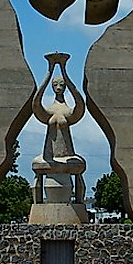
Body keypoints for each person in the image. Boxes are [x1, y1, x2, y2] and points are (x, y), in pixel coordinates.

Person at [31, 52, 86, 203]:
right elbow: (36, 104)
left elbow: (80, 105)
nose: (59, 87)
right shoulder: (50, 110)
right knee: (36, 165)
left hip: (68, 156)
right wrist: (49, 70)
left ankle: (79, 204)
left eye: (62, 85)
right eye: (55, 85)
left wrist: (64, 70)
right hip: (49, 157)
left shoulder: (67, 111)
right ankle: (38, 205)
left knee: (80, 165)